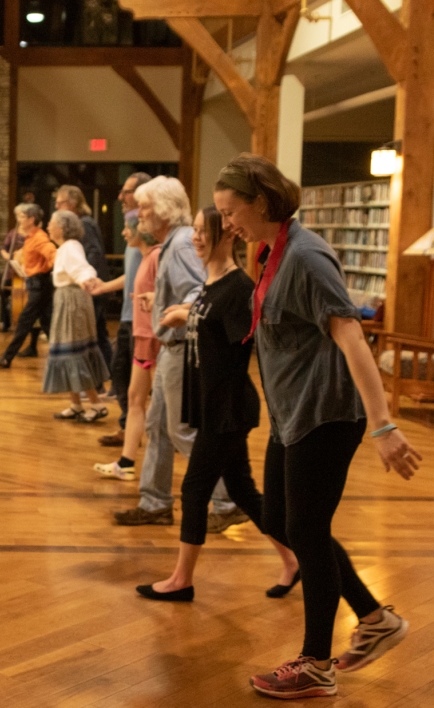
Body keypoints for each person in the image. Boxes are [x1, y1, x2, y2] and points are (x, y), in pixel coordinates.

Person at [206, 155, 419, 699]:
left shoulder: (306, 255)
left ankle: (317, 663)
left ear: (261, 202)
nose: (226, 222)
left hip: (325, 416)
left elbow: (350, 334)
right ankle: (373, 618)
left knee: (306, 530)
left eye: (232, 212)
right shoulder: (269, 251)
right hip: (291, 416)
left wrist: (383, 426)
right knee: (283, 519)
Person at [131, 205, 299, 602]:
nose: (196, 238)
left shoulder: (239, 286)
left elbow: (247, 335)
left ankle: (180, 579)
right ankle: (293, 560)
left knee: (194, 489)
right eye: (193, 231)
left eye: (203, 231)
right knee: (241, 490)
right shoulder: (213, 281)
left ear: (227, 234)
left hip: (227, 408)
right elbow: (210, 314)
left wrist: (185, 318)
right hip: (212, 403)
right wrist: (183, 312)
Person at [113, 176, 239, 528]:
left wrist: (176, 311)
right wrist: (163, 303)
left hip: (181, 349)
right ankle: (154, 502)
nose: (140, 215)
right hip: (173, 349)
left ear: (165, 209)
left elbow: (201, 293)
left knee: (181, 430)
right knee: (158, 428)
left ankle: (229, 499)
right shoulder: (173, 243)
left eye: (146, 207)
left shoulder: (181, 243)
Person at [92, 211, 160, 481]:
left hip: (153, 338)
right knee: (134, 399)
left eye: (129, 228)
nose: (124, 233)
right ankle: (126, 463)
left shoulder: (156, 256)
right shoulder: (144, 257)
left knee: (161, 408)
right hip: (141, 336)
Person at [95, 172, 153, 446]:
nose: (120, 196)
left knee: (128, 378)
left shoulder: (147, 229)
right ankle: (131, 428)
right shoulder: (132, 228)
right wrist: (104, 287)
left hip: (142, 321)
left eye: (127, 191)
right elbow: (132, 276)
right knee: (120, 375)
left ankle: (141, 430)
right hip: (129, 318)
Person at [42, 210, 110, 423]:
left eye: (51, 224)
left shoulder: (70, 247)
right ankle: (76, 404)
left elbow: (83, 269)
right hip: (68, 299)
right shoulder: (66, 247)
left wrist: (86, 280)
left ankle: (97, 404)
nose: (47, 227)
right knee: (68, 350)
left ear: (61, 228)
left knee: (73, 352)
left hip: (72, 300)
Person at [55, 185, 112, 370]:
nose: (57, 207)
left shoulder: (84, 223)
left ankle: (97, 381)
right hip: (91, 286)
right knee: (99, 334)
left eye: (60, 202)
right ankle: (109, 376)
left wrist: (84, 280)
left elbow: (93, 253)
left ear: (72, 204)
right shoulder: (84, 222)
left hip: (91, 287)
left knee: (92, 335)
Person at [0, 203, 55, 368]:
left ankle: (7, 358)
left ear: (31, 219)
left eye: (21, 217)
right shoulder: (30, 237)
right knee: (47, 324)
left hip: (40, 285)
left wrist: (55, 270)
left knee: (25, 321)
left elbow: (52, 254)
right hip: (37, 284)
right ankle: (60, 356)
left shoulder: (39, 237)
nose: (18, 220)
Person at [0, 220, 26, 332]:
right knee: (3, 290)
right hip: (12, 270)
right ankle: (5, 321)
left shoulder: (32, 234)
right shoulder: (13, 233)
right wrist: (7, 256)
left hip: (26, 271)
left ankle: (23, 321)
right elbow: (3, 248)